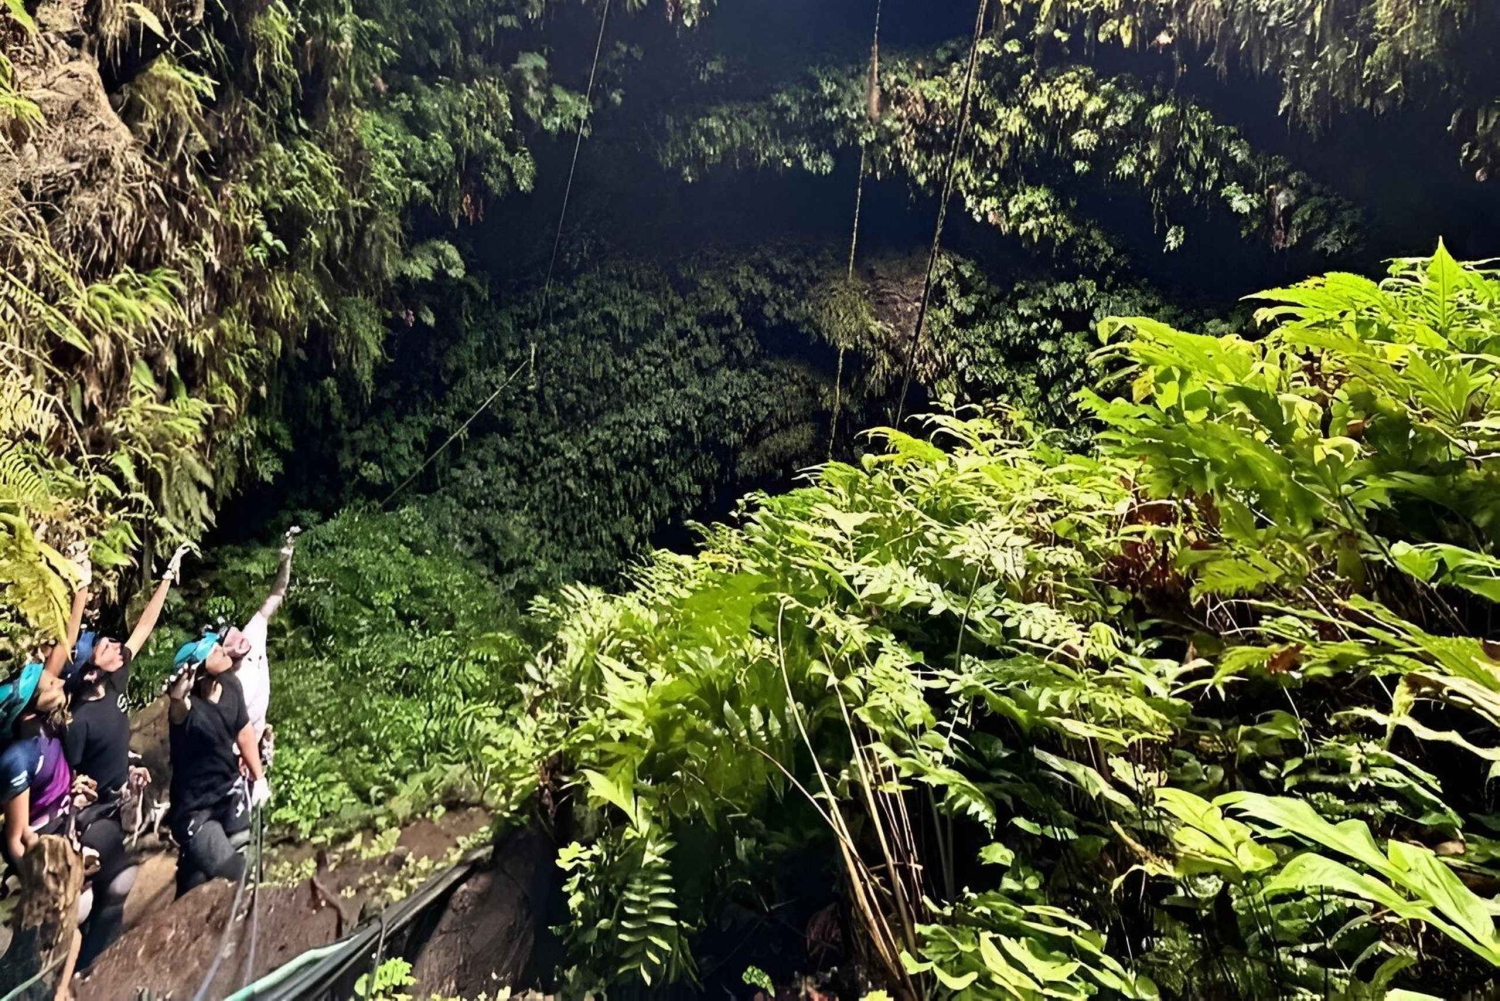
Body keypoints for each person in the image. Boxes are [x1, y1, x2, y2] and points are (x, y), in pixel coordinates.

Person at [60, 544, 188, 968]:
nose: (116, 645)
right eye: (103, 646)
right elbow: (71, 774)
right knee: (112, 886)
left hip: (118, 804)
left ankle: (87, 963)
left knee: (110, 894)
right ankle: (83, 967)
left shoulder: (114, 683)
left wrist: (167, 577)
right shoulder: (78, 719)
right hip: (90, 817)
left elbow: (143, 628)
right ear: (90, 671)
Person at [0, 662, 96, 1001]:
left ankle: (60, 988)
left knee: (73, 925)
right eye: (50, 684)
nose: (59, 682)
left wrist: (76, 789)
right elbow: (16, 836)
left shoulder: (49, 729)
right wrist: (43, 877)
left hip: (64, 833)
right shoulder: (18, 758)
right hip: (42, 853)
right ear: (27, 708)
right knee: (37, 946)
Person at [164, 632, 269, 897]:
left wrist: (259, 779)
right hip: (196, 810)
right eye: (213, 652)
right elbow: (178, 708)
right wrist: (176, 696)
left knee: (249, 861)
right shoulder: (188, 711)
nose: (222, 651)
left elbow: (243, 731)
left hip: (228, 792)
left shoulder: (231, 685)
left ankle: (191, 875)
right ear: (198, 670)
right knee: (235, 872)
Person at [218, 526, 299, 763]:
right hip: (234, 760)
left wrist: (286, 560)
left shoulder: (251, 635)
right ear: (224, 653)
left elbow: (277, 594)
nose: (240, 638)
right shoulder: (227, 684)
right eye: (232, 640)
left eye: (238, 633)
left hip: (257, 748)